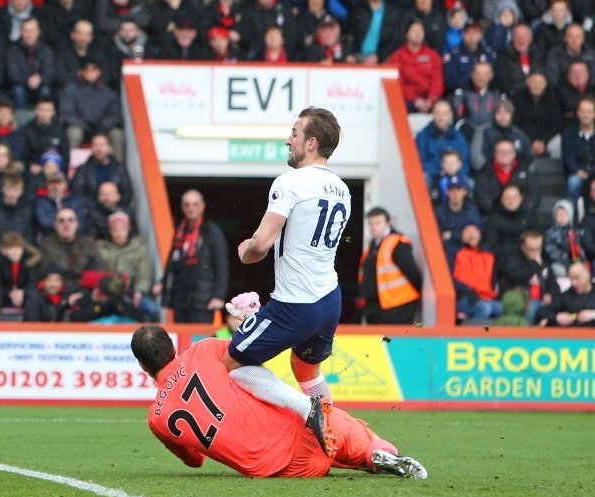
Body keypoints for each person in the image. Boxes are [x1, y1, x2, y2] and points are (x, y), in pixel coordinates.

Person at [131, 325, 427, 479]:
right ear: (172, 346)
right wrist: (249, 321)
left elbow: (194, 461)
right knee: (241, 372)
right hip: (301, 432)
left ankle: (366, 459)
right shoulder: (203, 350)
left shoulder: (156, 419)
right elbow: (248, 355)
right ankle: (378, 451)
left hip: (281, 471)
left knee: (327, 455)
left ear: (143, 367)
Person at [222, 107, 349, 402]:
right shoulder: (343, 190)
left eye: (294, 133)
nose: (288, 140)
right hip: (329, 300)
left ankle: (303, 413)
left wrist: (246, 251)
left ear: (311, 143)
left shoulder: (289, 182)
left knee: (228, 364)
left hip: (295, 305)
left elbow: (261, 245)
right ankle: (330, 432)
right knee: (305, 370)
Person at [153, 189, 228, 323]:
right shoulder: (180, 231)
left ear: (202, 206)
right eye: (187, 204)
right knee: (183, 342)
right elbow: (172, 262)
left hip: (203, 299)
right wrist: (163, 283)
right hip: (180, 298)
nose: (191, 208)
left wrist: (218, 296)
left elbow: (222, 266)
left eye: (195, 204)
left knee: (199, 341)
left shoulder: (211, 231)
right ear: (182, 207)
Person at [357, 207, 422, 324]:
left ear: (388, 223)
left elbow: (413, 274)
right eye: (370, 223)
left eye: (378, 223)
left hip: (397, 306)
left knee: (394, 341)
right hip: (377, 307)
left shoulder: (396, 243)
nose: (373, 227)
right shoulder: (373, 245)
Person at [59, 57, 124, 162]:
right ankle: (70, 166)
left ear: (99, 72)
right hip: (81, 129)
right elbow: (67, 113)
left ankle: (117, 168)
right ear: (81, 72)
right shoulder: (71, 89)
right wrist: (85, 126)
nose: (90, 72)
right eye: (86, 69)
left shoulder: (108, 93)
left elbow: (114, 115)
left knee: (117, 135)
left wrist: (101, 128)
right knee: (73, 133)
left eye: (93, 69)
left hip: (103, 130)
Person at [387, 19, 443, 114]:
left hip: (429, 101)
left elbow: (437, 81)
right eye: (414, 30)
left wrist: (431, 100)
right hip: (407, 101)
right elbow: (398, 84)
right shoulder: (397, 57)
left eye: (420, 31)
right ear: (406, 34)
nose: (417, 34)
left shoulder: (433, 56)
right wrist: (415, 100)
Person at [539, 262, 595, 326]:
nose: (573, 283)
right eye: (571, 279)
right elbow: (543, 312)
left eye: (577, 278)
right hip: (574, 339)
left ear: (587, 275)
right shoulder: (567, 296)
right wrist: (557, 317)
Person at [452, 223, 502, 321]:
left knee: (502, 309)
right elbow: (452, 278)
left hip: (486, 297)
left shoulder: (488, 256)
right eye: (467, 231)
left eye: (474, 231)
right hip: (464, 297)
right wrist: (468, 292)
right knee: (484, 308)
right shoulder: (456, 253)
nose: (471, 234)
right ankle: (472, 335)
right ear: (461, 236)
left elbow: (493, 280)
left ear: (480, 235)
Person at [38, 206, 96, 289]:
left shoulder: (88, 243)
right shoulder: (46, 245)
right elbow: (46, 275)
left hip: (85, 290)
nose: (66, 224)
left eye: (70, 220)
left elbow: (96, 271)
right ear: (55, 225)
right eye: (61, 221)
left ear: (77, 224)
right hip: (59, 291)